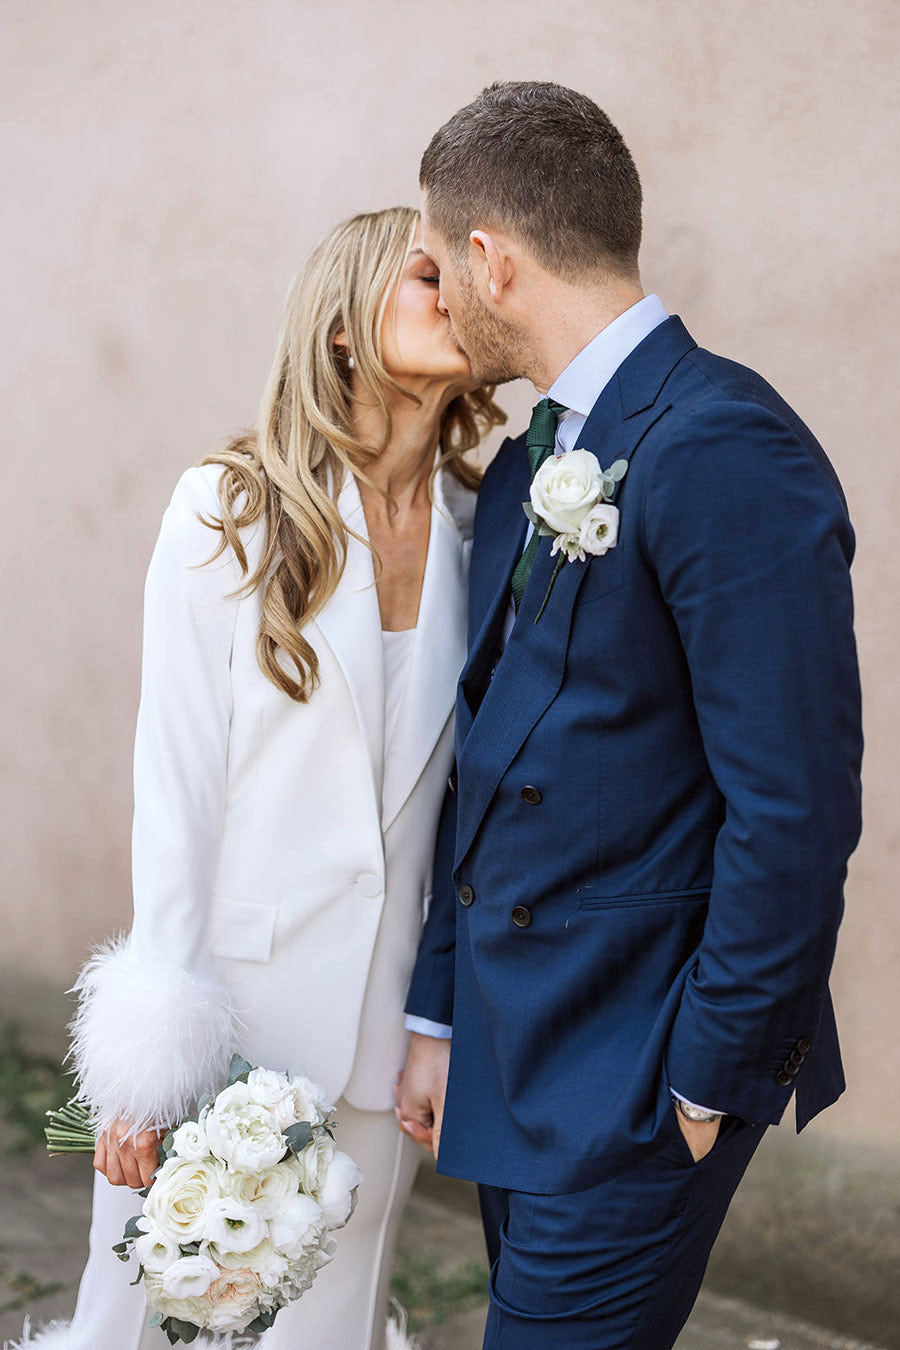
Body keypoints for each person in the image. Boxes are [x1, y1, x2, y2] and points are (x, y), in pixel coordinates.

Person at [396, 81, 863, 1350]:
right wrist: (438, 1017)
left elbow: (797, 811)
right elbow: (485, 754)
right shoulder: (527, 463)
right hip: (515, 1052)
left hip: (643, 1069)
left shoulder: (727, 447)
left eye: (437, 267)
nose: (434, 293)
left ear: (492, 261)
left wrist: (713, 1077)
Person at [13, 205, 503, 1350]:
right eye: (430, 275)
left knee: (332, 1326)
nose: (462, 296)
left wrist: (438, 1025)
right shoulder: (224, 514)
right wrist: (148, 1061)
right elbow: (175, 791)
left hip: (380, 1039)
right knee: (134, 1321)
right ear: (343, 329)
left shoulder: (490, 532)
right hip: (229, 1013)